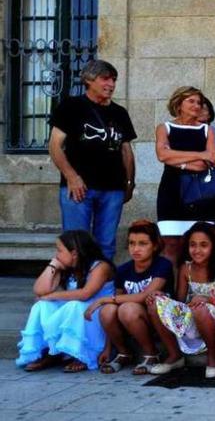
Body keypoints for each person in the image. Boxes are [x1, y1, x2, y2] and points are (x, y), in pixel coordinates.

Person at [48, 59, 136, 260]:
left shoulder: (119, 112)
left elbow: (126, 151)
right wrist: (72, 177)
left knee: (106, 244)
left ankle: (102, 288)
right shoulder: (72, 106)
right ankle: (77, 288)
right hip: (79, 188)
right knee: (76, 243)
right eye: (105, 79)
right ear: (89, 80)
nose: (111, 84)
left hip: (113, 188)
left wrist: (129, 183)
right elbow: (54, 146)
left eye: (114, 79)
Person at [16, 230, 115, 372]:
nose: (57, 255)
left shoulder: (100, 267)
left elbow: (85, 294)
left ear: (74, 253)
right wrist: (53, 265)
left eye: (59, 250)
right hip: (75, 312)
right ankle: (51, 352)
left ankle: (80, 355)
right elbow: (39, 290)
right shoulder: (66, 267)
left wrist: (52, 296)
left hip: (95, 313)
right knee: (41, 306)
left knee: (74, 305)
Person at [148, 222, 215, 379]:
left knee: (200, 308)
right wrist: (161, 297)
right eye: (193, 245)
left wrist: (207, 299)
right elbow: (180, 301)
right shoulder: (186, 268)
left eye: (203, 245)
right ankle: (175, 355)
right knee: (154, 303)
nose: (197, 250)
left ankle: (213, 357)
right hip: (192, 318)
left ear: (213, 246)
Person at [86, 220, 172, 374]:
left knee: (127, 308)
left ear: (155, 246)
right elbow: (115, 303)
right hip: (129, 322)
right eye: (132, 243)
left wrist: (104, 299)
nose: (136, 249)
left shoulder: (162, 265)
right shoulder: (123, 270)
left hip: (157, 319)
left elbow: (145, 295)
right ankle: (123, 352)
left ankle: (151, 353)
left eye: (142, 244)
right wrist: (107, 347)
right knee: (107, 311)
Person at [155, 86, 215, 260]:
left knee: (201, 246)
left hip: (200, 193)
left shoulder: (207, 130)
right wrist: (198, 155)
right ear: (179, 103)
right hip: (172, 191)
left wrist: (176, 159)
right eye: (191, 101)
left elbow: (209, 161)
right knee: (170, 246)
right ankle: (173, 286)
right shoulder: (164, 128)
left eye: (199, 102)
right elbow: (162, 155)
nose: (196, 105)